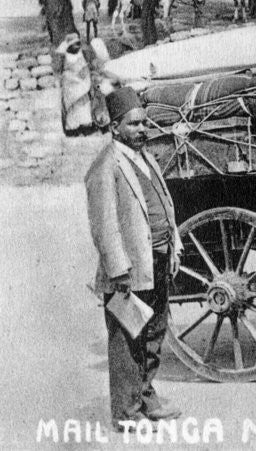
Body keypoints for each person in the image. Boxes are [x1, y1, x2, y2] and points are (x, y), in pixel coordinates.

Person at [85, 87, 183, 431]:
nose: (143, 130)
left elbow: (165, 204)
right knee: (127, 338)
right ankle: (126, 413)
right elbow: (104, 226)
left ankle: (146, 397)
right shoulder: (104, 167)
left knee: (154, 330)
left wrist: (174, 245)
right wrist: (119, 271)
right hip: (128, 270)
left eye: (145, 123)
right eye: (133, 125)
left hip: (156, 259)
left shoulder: (147, 158)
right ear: (115, 128)